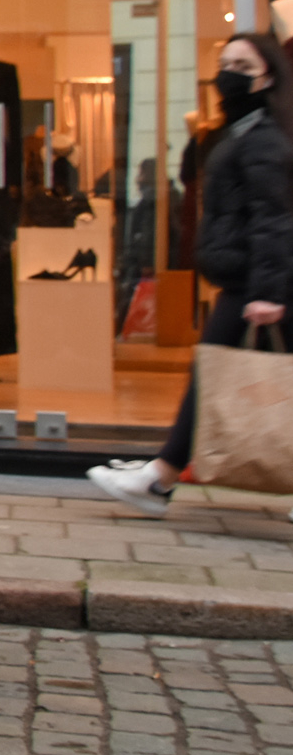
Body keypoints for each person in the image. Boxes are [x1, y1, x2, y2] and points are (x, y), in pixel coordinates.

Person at [90, 30, 293, 518]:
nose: (230, 75)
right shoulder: (244, 132)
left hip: (256, 283)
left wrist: (267, 292)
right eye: (226, 64)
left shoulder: (262, 138)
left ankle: (159, 477)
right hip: (250, 278)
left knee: (212, 374)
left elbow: (275, 217)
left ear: (267, 76)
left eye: (243, 67)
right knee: (219, 375)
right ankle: (158, 477)